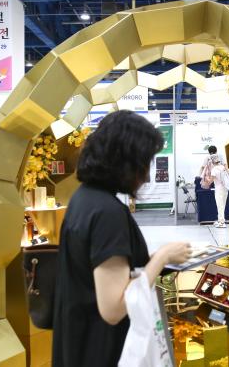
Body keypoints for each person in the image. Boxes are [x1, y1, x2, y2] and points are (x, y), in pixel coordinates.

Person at [52, 111, 192, 367]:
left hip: (79, 344)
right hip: (104, 351)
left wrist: (150, 262)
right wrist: (162, 257)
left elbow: (100, 273)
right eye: (146, 162)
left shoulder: (84, 200)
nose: (148, 176)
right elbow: (114, 308)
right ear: (126, 161)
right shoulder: (107, 213)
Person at [210, 154, 229, 228]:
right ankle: (220, 220)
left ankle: (222, 222)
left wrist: (205, 181)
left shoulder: (214, 169)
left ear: (212, 162)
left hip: (219, 189)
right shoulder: (223, 167)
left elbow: (211, 180)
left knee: (220, 205)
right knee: (223, 205)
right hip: (225, 188)